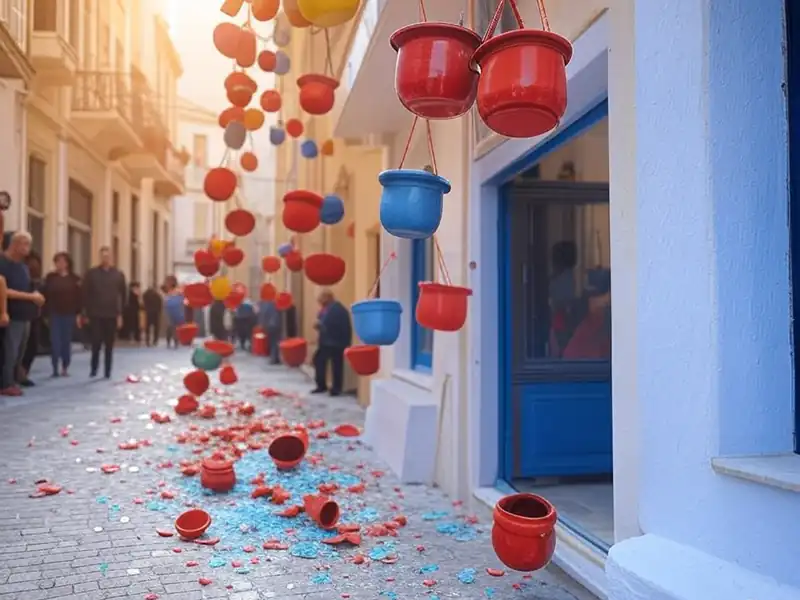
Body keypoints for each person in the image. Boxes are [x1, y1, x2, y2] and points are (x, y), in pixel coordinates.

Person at [0, 232, 44, 395]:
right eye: (25, 244)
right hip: (11, 313)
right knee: (9, 350)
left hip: (25, 314)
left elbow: (27, 287)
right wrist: (30, 296)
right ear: (15, 244)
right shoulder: (2, 263)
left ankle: (14, 378)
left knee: (19, 351)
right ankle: (6, 383)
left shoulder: (23, 267)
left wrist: (36, 296)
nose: (28, 248)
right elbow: (3, 290)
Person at [82, 246, 126, 379]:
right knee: (96, 343)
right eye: (103, 256)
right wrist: (85, 313)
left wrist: (120, 314)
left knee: (109, 345)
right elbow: (85, 293)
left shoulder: (118, 274)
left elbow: (123, 296)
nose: (105, 259)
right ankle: (94, 368)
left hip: (112, 314)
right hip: (95, 314)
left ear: (112, 258)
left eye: (108, 256)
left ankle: (107, 371)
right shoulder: (91, 274)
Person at [42, 252, 81, 377]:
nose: (60, 264)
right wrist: (45, 313)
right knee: (55, 341)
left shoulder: (74, 279)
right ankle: (54, 367)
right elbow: (46, 295)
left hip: (69, 314)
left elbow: (79, 297)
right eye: (57, 261)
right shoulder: (50, 277)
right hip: (54, 314)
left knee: (66, 341)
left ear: (67, 263)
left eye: (63, 261)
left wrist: (79, 314)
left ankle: (65, 366)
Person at [312, 289, 352, 396]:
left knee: (325, 361)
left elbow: (332, 326)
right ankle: (332, 387)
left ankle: (329, 387)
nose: (320, 303)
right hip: (332, 341)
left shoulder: (336, 309)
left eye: (321, 300)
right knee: (335, 364)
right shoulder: (330, 309)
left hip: (333, 342)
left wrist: (320, 326)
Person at [17, 251, 44, 387]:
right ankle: (18, 374)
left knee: (32, 346)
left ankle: (23, 372)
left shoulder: (39, 282)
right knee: (21, 346)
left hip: (35, 316)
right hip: (21, 314)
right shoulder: (21, 279)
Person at [162, 276, 184, 349]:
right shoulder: (168, 293)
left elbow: (182, 300)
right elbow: (165, 302)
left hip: (175, 311)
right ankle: (170, 341)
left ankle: (175, 341)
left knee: (174, 327)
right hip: (170, 311)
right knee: (170, 326)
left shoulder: (178, 292)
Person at [258, 298, 282, 365]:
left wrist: (262, 325)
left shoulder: (264, 304)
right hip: (276, 325)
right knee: (276, 342)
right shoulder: (276, 303)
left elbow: (262, 315)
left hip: (269, 326)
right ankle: (275, 358)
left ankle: (273, 357)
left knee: (272, 342)